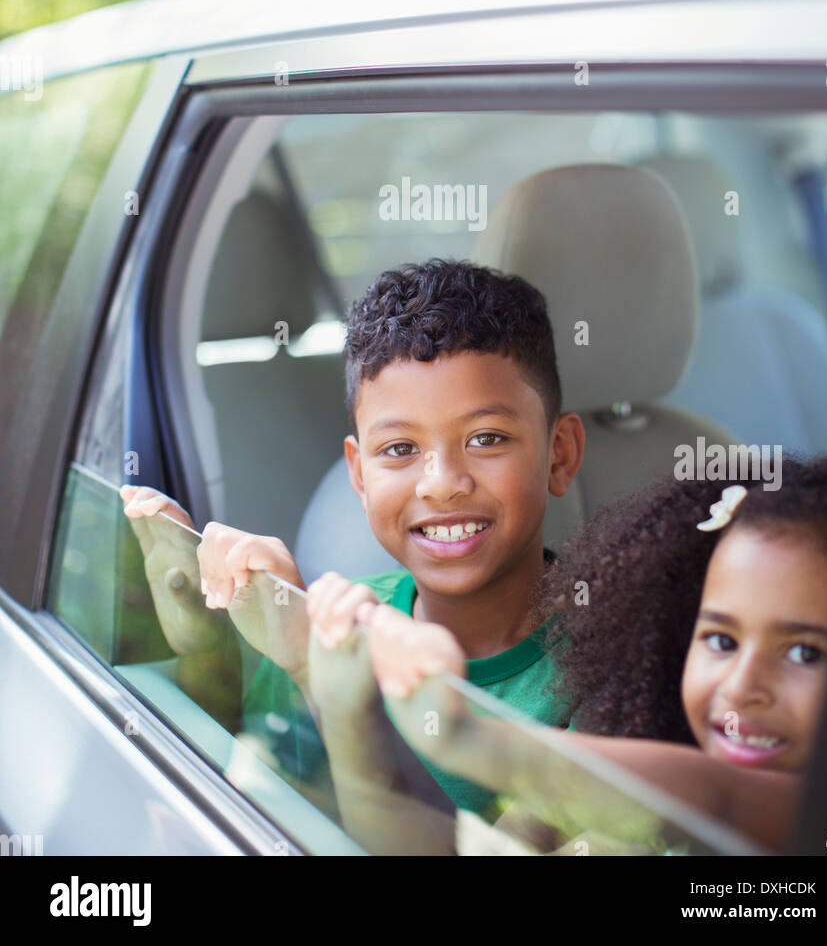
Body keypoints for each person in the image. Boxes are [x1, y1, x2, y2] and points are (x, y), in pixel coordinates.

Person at [123, 256, 585, 816]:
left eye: (486, 438)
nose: (442, 485)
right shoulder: (325, 627)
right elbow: (252, 792)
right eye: (400, 449)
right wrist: (205, 648)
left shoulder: (609, 662)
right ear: (360, 475)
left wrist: (320, 679)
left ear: (560, 454)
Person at [309, 452, 827, 853]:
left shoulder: (822, 814)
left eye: (806, 654)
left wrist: (460, 731)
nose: (742, 687)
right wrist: (339, 707)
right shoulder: (626, 793)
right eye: (720, 640)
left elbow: (717, 798)